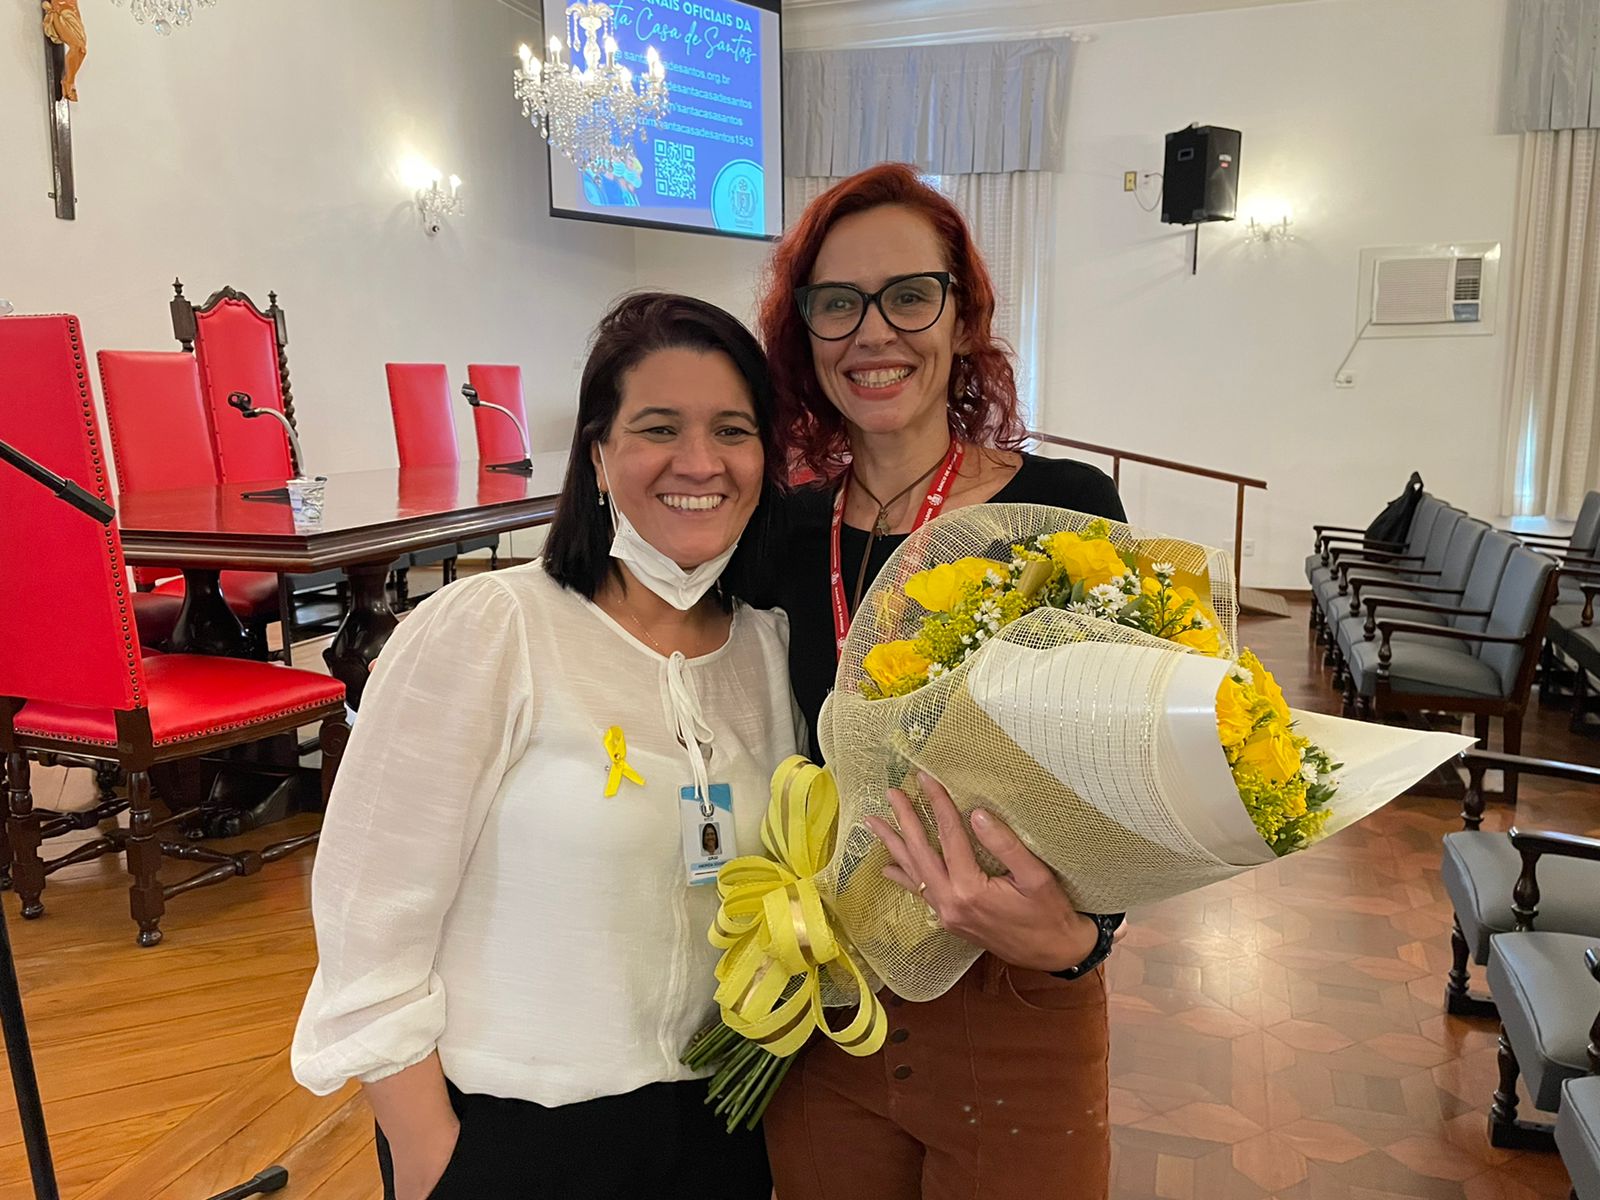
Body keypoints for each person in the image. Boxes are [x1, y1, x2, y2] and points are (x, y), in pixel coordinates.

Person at [291, 293, 798, 1200]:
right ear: (598, 454)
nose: (700, 462)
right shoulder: (490, 628)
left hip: (722, 1119)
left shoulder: (765, 648)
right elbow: (368, 919)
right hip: (515, 1130)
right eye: (659, 428)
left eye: (733, 430)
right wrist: (432, 1156)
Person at [753, 163, 1127, 1200]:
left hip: (1011, 994)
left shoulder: (1064, 510)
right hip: (826, 1003)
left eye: (909, 295)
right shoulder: (778, 532)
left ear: (964, 318)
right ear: (805, 333)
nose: (873, 332)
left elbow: (1121, 762)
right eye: (837, 303)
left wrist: (1081, 938)